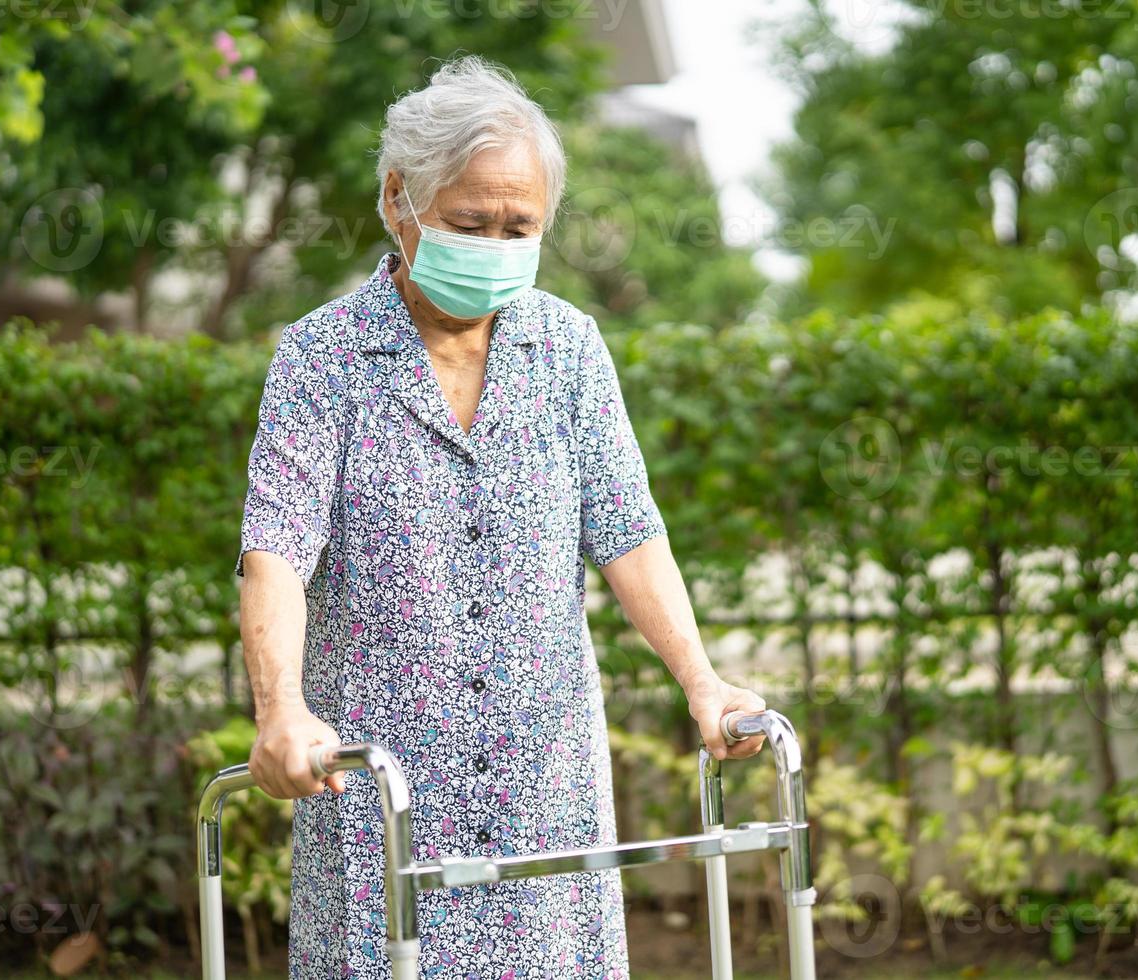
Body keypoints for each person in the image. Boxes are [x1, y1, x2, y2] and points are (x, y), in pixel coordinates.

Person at [235, 55, 767, 978]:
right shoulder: (322, 358)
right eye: (469, 222)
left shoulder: (567, 348)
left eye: (519, 226)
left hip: (542, 783)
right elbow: (275, 546)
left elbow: (629, 530)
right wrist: (282, 708)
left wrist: (703, 682)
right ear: (399, 201)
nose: (495, 244)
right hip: (383, 791)